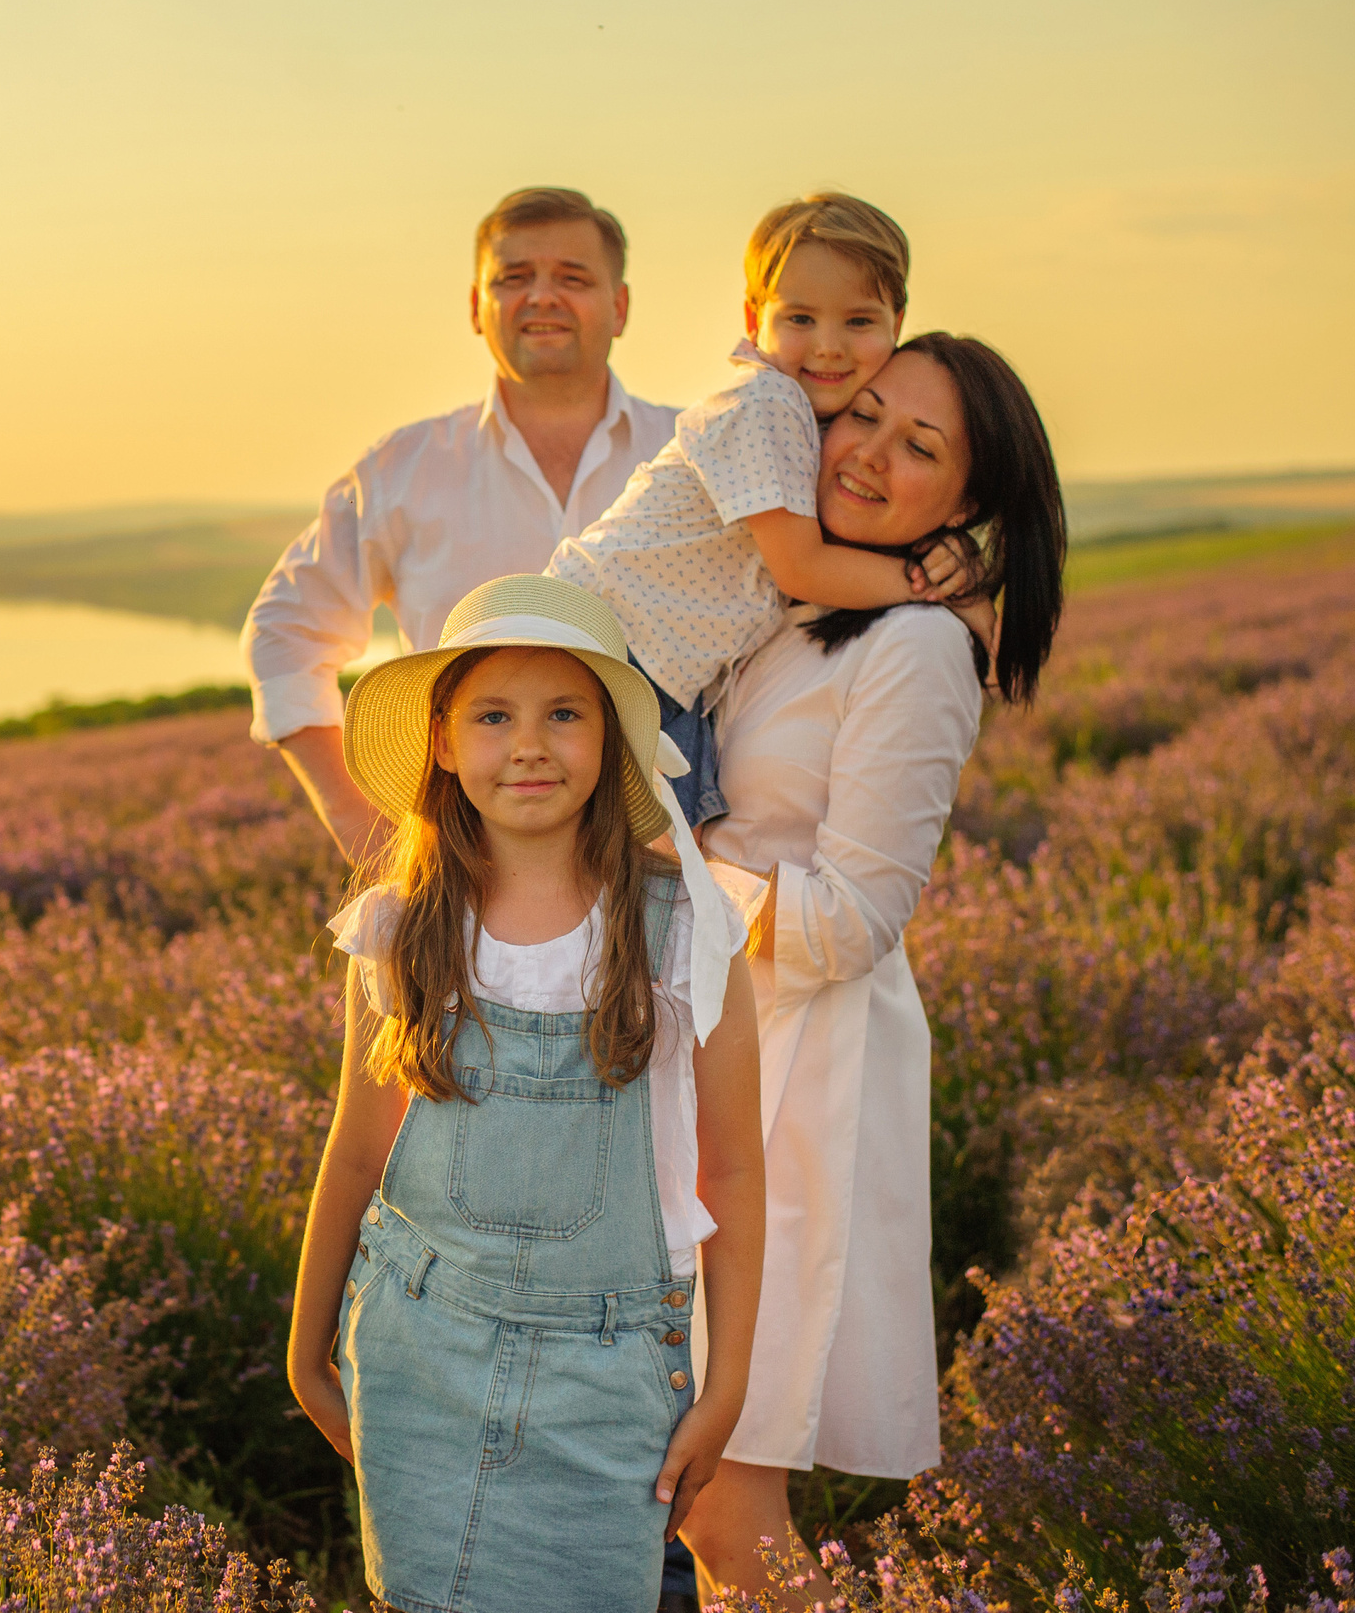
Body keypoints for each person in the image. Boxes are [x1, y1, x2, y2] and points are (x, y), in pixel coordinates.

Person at [284, 574, 767, 1612]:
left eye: (564, 714)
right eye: (493, 716)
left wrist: (727, 1389)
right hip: (417, 1339)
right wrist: (305, 1347)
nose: (531, 745)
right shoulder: (401, 923)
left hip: (607, 1366)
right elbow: (359, 1146)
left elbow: (730, 1164)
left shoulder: (683, 927)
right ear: (445, 743)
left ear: (608, 742)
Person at [674, 334, 1066, 1604]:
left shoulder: (917, 648)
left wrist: (658, 870)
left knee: (727, 1508)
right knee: (696, 1499)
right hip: (717, 1058)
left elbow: (848, 921)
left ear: (967, 503)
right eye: (867, 415)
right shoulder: (811, 607)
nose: (870, 454)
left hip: (799, 1084)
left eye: (921, 448)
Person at [243, 187, 681, 864]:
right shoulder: (401, 471)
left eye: (573, 277)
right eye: (513, 278)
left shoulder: (694, 456)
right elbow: (285, 632)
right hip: (466, 879)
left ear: (619, 307)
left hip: (669, 871)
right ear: (477, 308)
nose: (541, 297)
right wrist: (365, 833)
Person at [547, 194, 986, 828]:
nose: (828, 347)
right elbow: (802, 568)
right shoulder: (767, 402)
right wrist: (937, 589)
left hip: (662, 674)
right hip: (610, 645)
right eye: (801, 319)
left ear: (898, 320)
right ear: (756, 318)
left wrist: (938, 554)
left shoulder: (819, 419)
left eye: (858, 322)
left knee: (639, 869)